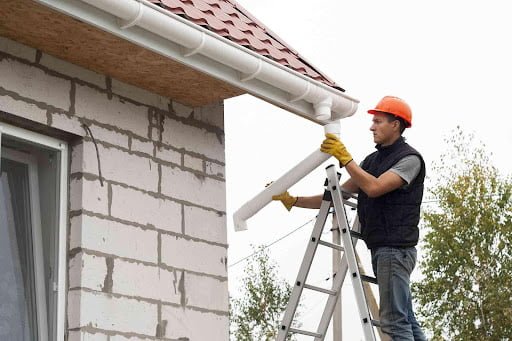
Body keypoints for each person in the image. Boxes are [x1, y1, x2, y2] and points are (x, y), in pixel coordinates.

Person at [272, 96, 427, 340]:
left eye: (378, 121)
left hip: (395, 249)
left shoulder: (409, 159)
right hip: (384, 249)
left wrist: (346, 159)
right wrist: (294, 201)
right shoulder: (372, 162)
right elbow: (337, 195)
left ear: (395, 125)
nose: (371, 126)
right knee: (407, 321)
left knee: (395, 323)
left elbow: (374, 187)